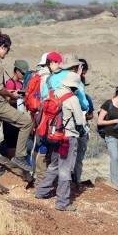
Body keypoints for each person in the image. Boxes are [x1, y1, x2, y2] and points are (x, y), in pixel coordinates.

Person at [0, 31, 33, 182]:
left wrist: (8, 92)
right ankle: (20, 156)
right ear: (3, 46)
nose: (7, 54)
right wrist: (12, 95)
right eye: (7, 50)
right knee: (26, 122)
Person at [35, 72, 84, 211]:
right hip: (68, 137)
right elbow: (79, 121)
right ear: (74, 86)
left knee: (54, 164)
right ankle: (62, 202)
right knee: (65, 169)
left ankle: (41, 191)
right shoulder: (72, 98)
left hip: (53, 135)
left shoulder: (52, 94)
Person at [33, 52, 63, 185]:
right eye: (58, 63)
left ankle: (41, 179)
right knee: (44, 147)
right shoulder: (47, 77)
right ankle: (41, 180)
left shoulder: (39, 74)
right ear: (51, 63)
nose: (59, 66)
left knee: (42, 145)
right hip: (47, 117)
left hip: (42, 116)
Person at [97, 85, 118, 188]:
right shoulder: (108, 104)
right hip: (110, 135)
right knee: (115, 158)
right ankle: (115, 184)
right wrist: (115, 121)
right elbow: (99, 121)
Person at [2, 59, 29, 159]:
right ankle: (11, 163)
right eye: (23, 73)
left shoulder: (21, 84)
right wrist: (19, 100)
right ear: (17, 71)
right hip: (10, 117)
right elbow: (7, 101)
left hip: (18, 116)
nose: (23, 75)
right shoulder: (10, 83)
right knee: (11, 143)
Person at [73, 58, 93, 188]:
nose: (83, 76)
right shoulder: (75, 87)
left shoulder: (85, 95)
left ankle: (76, 180)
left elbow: (89, 111)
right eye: (83, 72)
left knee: (78, 156)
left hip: (82, 128)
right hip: (74, 127)